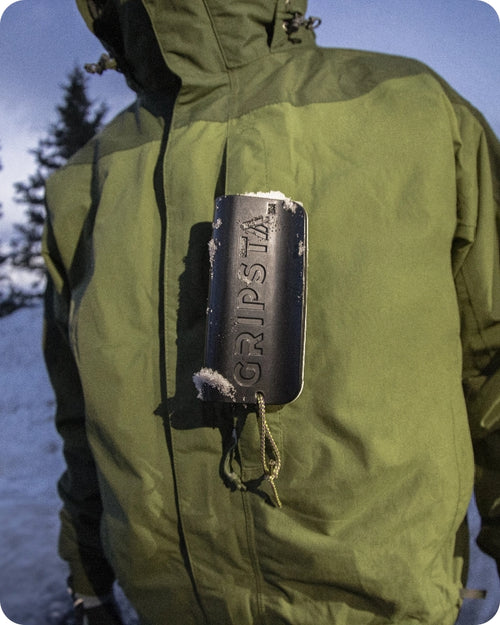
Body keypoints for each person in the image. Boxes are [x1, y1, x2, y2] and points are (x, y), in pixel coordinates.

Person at [42, 1, 500, 624]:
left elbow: (493, 360)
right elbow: (79, 414)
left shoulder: (413, 108)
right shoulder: (83, 181)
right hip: (173, 607)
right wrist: (87, 573)